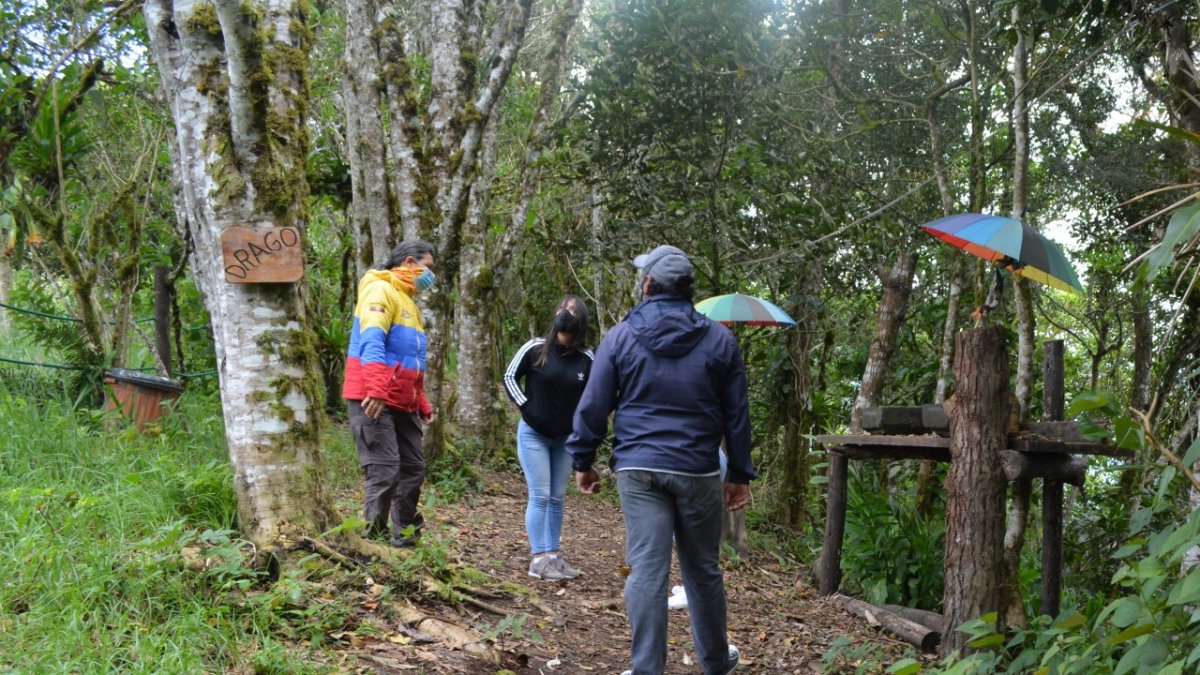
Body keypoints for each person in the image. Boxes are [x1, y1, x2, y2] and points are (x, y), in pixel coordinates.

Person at [566, 245, 754, 675]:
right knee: (703, 570)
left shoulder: (622, 336)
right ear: (688, 290)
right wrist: (739, 472)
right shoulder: (719, 338)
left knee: (647, 571)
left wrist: (583, 460)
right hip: (697, 468)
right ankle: (715, 663)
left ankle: (647, 668)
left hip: (639, 468)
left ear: (648, 284)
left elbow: (594, 403)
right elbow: (737, 414)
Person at [342, 240, 437, 548]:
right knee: (384, 469)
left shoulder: (408, 301)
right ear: (410, 262)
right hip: (373, 395)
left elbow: (410, 360)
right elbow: (372, 342)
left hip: (402, 400)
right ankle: (373, 544)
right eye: (428, 268)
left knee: (413, 468)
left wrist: (420, 401)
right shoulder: (379, 290)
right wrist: (378, 389)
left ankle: (406, 537)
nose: (429, 276)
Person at [502, 295, 594, 581]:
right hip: (534, 435)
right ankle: (538, 558)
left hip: (565, 439)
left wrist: (583, 431)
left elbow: (594, 396)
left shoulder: (586, 358)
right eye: (561, 310)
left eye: (571, 312)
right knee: (540, 495)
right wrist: (527, 408)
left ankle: (554, 555)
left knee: (557, 497)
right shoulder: (535, 348)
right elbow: (509, 377)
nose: (564, 315)